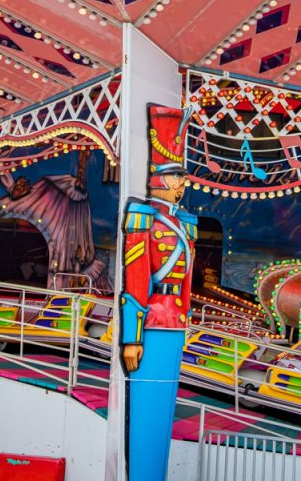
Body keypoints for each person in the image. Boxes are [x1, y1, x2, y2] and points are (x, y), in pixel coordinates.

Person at [119, 105, 198, 481]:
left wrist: (187, 318)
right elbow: (136, 279)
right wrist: (130, 338)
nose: (181, 183)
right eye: (175, 177)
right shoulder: (143, 219)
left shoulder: (184, 223)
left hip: (174, 321)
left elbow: (186, 281)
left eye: (182, 176)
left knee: (165, 409)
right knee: (149, 412)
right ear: (158, 179)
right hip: (151, 321)